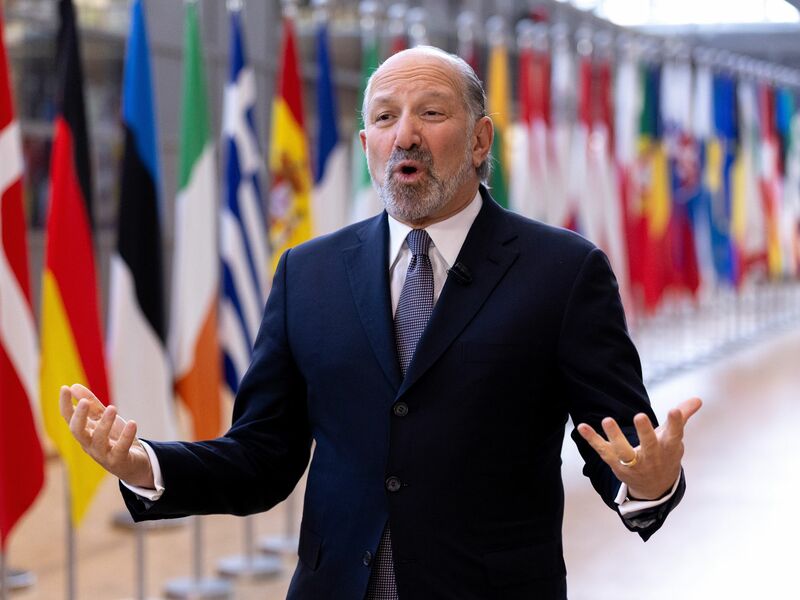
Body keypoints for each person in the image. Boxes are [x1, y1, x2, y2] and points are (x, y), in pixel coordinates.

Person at [62, 46, 701, 599]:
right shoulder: (306, 274)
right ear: (367, 145)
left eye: (431, 112)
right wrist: (145, 463)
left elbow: (621, 448)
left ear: (480, 140)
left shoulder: (564, 272)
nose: (406, 135)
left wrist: (650, 482)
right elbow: (264, 456)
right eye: (385, 117)